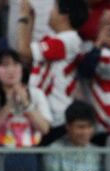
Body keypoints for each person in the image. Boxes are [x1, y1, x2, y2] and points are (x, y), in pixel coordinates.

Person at [17, 0, 88, 132]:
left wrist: (22, 17)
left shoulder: (66, 40)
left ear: (64, 16)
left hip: (55, 114)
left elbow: (23, 50)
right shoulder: (59, 39)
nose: (49, 13)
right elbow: (25, 57)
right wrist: (31, 20)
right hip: (44, 111)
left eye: (54, 9)